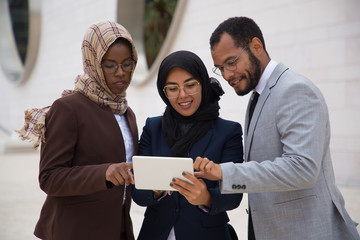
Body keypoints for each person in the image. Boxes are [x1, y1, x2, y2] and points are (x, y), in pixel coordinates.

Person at [191, 16, 360, 240]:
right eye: (220, 68)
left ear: (256, 46)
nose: (227, 75)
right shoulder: (258, 96)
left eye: (231, 62)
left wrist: (225, 172)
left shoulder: (294, 89)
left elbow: (302, 169)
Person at [16, 21, 138, 240]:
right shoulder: (68, 108)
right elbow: (49, 177)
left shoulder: (127, 113)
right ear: (93, 63)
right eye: (110, 65)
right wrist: (105, 173)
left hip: (117, 230)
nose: (121, 73)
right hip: (74, 231)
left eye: (127, 64)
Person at [131, 50, 243, 240]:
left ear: (203, 84)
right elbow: (138, 194)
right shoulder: (153, 128)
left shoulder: (228, 132)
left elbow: (234, 196)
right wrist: (156, 189)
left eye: (190, 85)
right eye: (173, 88)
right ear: (163, 91)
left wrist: (205, 197)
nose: (182, 95)